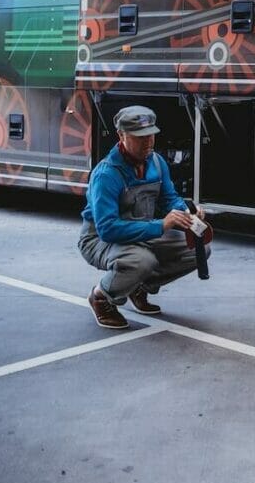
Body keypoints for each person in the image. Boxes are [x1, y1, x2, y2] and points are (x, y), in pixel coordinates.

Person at [78, 105, 208, 329]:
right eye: (140, 138)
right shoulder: (106, 174)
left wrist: (188, 212)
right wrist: (161, 225)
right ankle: (101, 297)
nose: (148, 143)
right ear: (121, 136)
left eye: (151, 136)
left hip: (142, 230)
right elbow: (107, 229)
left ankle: (136, 285)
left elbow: (169, 199)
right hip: (99, 240)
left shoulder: (156, 162)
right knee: (142, 261)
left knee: (199, 249)